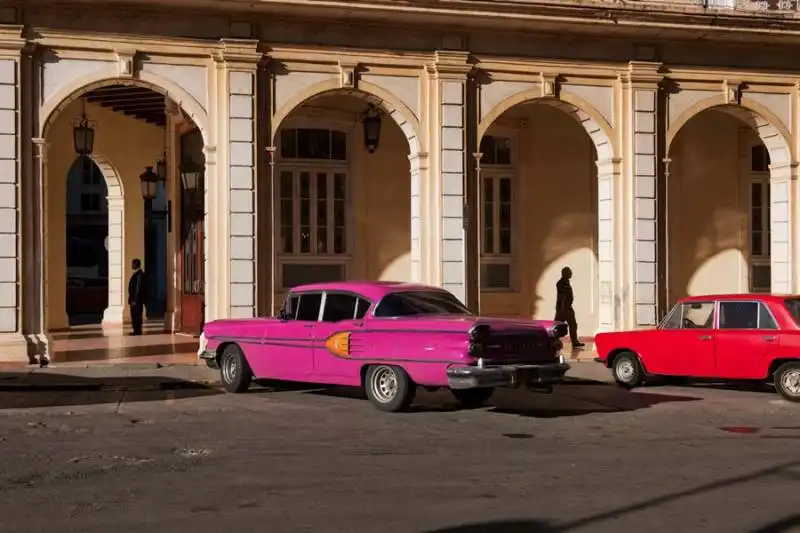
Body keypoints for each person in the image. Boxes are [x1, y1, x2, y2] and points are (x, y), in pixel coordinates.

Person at [555, 266, 584, 348]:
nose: (571, 274)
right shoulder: (561, 283)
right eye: (569, 272)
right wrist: (563, 310)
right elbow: (562, 297)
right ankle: (551, 340)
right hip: (563, 308)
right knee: (557, 326)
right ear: (565, 274)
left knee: (573, 325)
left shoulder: (566, 282)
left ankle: (575, 342)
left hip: (567, 307)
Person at [128, 258, 147, 336]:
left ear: (136, 264)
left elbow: (138, 288)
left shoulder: (139, 274)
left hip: (137, 300)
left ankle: (137, 331)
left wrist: (135, 299)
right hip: (134, 299)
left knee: (136, 315)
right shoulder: (137, 274)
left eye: (133, 264)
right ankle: (135, 330)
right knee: (134, 315)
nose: (132, 265)